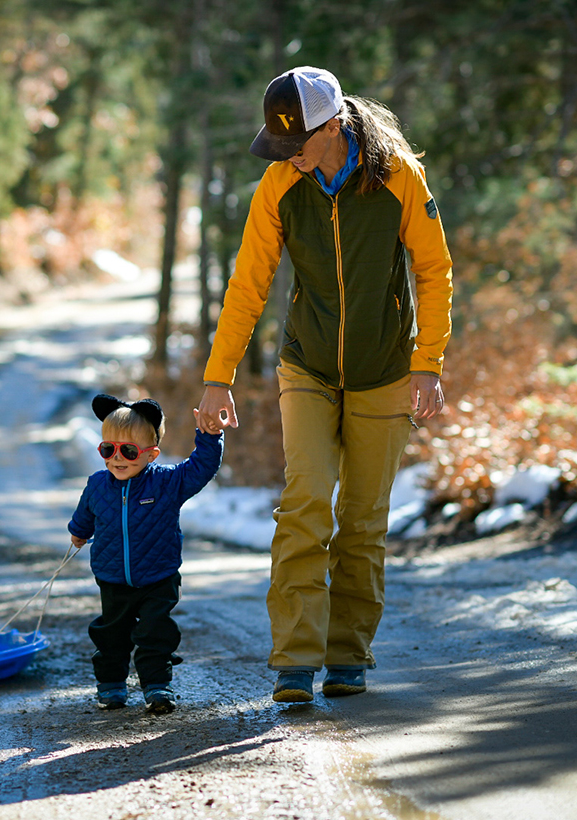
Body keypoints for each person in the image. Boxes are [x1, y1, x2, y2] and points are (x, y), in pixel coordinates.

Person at [195, 66, 452, 702]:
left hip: (385, 371)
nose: (289, 158)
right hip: (307, 365)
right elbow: (248, 285)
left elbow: (434, 268)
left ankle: (347, 655)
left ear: (332, 126)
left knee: (363, 522)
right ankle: (294, 663)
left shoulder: (397, 178)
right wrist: (217, 378)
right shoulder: (281, 183)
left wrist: (428, 362)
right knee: (306, 503)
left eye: (298, 145)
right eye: (281, 148)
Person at [68, 393, 223, 714]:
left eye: (127, 450)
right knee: (111, 633)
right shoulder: (97, 484)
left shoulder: (167, 483)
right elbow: (87, 511)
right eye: (107, 449)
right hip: (112, 576)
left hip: (159, 575)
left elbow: (202, 467)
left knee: (155, 632)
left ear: (152, 454)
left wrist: (209, 435)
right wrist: (79, 531)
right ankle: (111, 685)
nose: (116, 459)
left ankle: (157, 685)